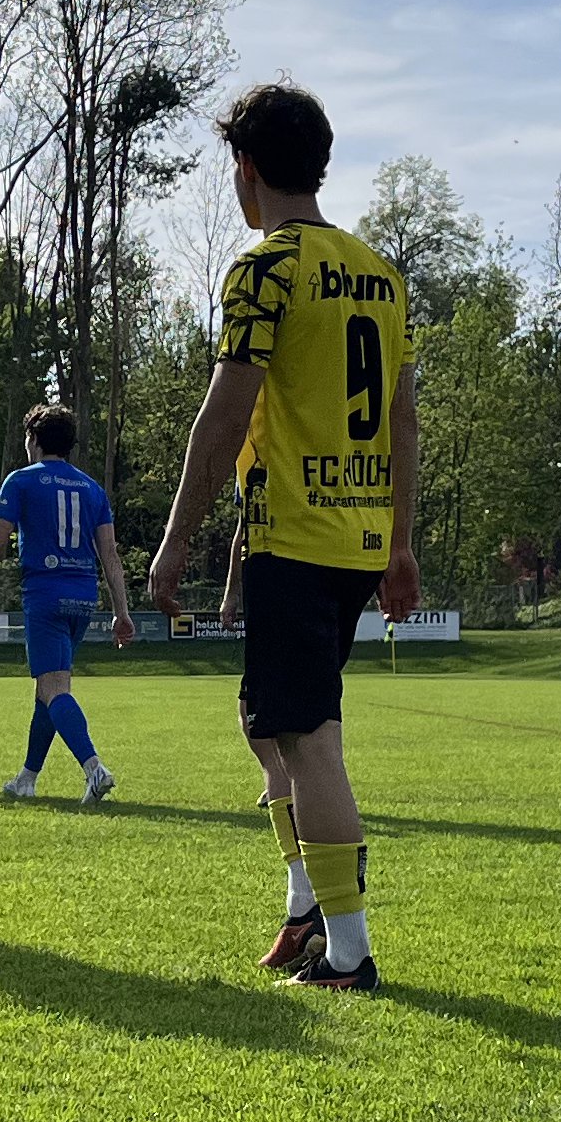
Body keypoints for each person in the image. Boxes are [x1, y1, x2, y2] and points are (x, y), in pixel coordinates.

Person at [142, 80, 419, 993]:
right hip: (357, 535)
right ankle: (307, 905)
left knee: (307, 739)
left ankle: (348, 951)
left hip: (295, 535)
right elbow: (403, 420)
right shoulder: (380, 274)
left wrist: (175, 539)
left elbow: (224, 417)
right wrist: (401, 542)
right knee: (269, 721)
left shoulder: (267, 268)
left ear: (246, 168)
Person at [0, 403, 135, 804]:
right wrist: (121, 612)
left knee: (54, 689)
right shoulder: (92, 489)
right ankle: (27, 778)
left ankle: (95, 769)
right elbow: (110, 554)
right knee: (49, 690)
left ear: (34, 440)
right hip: (83, 598)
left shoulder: (21, 481)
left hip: (45, 596)